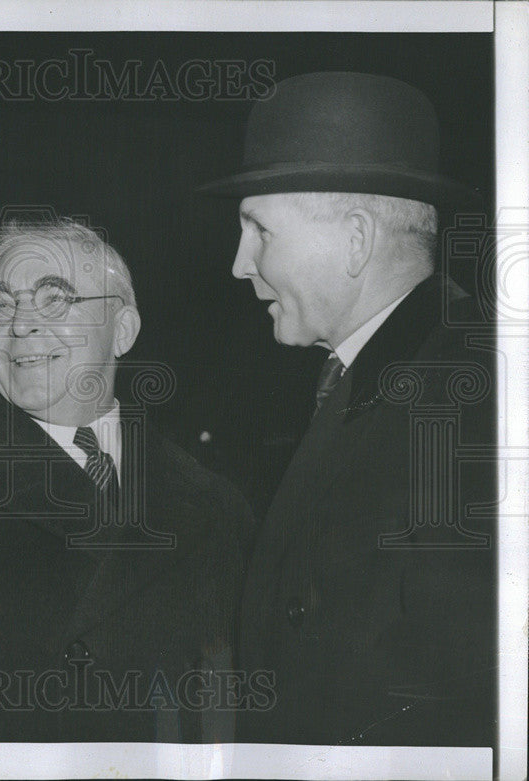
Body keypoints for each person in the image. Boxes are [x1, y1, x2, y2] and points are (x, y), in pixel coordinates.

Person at [197, 71, 496, 746]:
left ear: (356, 239)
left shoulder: (472, 403)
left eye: (258, 229)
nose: (240, 264)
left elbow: (460, 704)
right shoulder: (390, 377)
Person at [0, 218, 253, 741]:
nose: (20, 324)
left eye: (54, 299)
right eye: (2, 303)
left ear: (123, 330)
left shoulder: (215, 506)